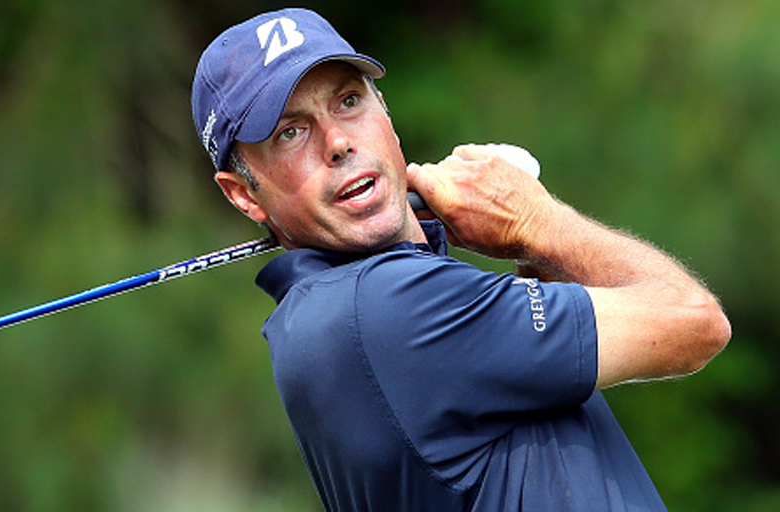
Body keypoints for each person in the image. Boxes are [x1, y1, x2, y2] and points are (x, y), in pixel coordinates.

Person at [191, 8, 731, 512]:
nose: (336, 142)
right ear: (244, 194)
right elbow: (693, 322)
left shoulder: (340, 310)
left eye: (349, 101)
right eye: (291, 131)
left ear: (386, 113)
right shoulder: (387, 306)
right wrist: (532, 221)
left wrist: (519, 246)